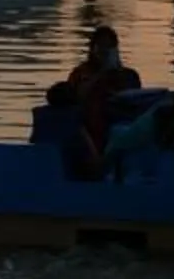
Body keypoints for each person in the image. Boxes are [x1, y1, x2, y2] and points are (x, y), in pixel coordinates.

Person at [49, 24, 141, 177]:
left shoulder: (127, 75)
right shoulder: (81, 74)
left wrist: (116, 73)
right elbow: (75, 98)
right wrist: (100, 76)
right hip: (86, 132)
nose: (104, 51)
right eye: (101, 46)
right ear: (92, 49)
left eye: (109, 47)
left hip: (117, 131)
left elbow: (134, 100)